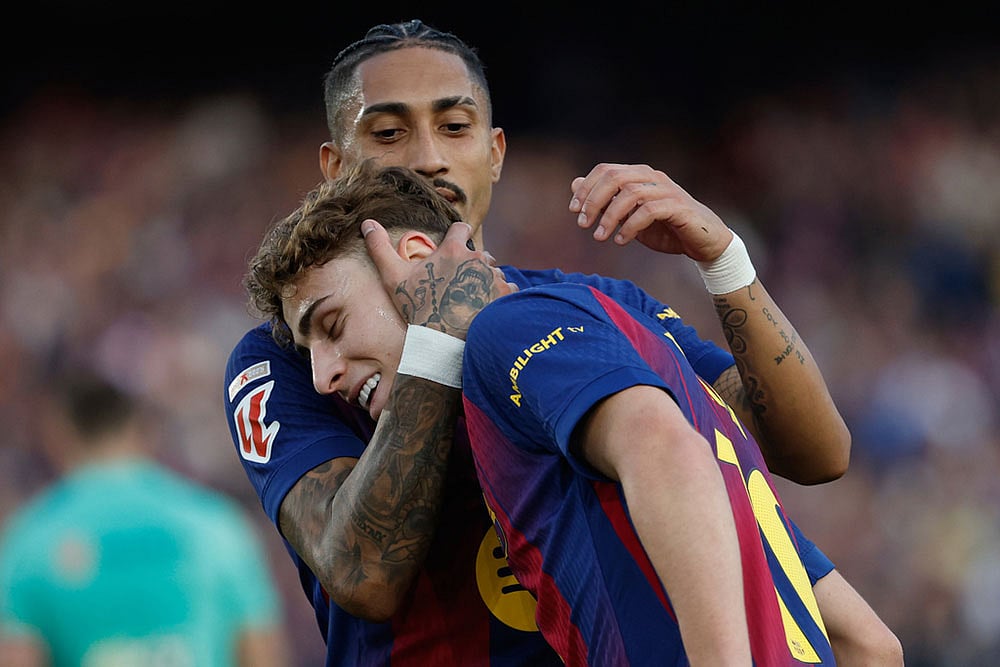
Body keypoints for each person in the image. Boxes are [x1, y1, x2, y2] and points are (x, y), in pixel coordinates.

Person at [224, 18, 901, 666]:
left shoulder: (590, 313)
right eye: (390, 131)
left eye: (454, 127)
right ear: (336, 167)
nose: (428, 157)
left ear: (493, 153)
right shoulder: (290, 356)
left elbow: (808, 452)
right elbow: (361, 571)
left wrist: (724, 260)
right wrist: (439, 338)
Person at [0, 366, 291, 667]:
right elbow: (261, 652)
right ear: (140, 430)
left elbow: (18, 656)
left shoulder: (30, 539)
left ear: (59, 437)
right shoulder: (216, 524)